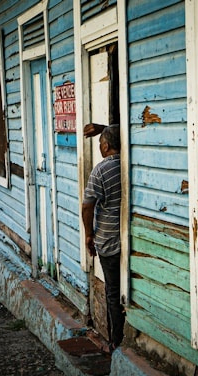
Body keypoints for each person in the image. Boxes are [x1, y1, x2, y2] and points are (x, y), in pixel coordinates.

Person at [81, 123, 124, 352]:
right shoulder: (129, 162)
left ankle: (115, 340)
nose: (99, 147)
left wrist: (89, 234)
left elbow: (87, 206)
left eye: (100, 143)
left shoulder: (101, 170)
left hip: (108, 241)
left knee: (113, 292)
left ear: (106, 146)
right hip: (129, 239)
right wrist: (103, 128)